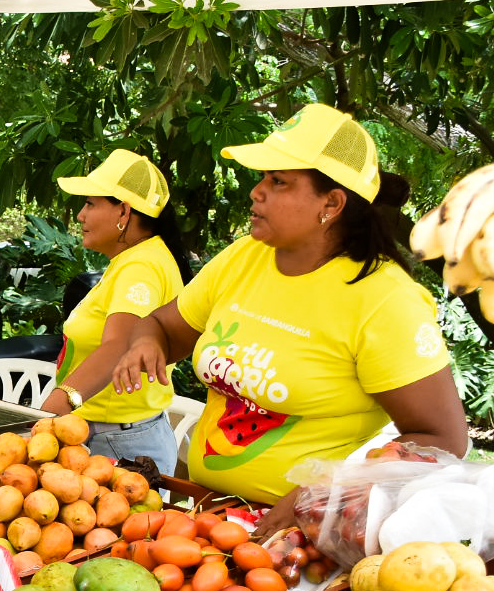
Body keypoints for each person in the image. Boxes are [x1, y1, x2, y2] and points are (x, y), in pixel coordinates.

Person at [111, 103, 468, 529]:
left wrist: (322, 492)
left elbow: (443, 439)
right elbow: (162, 326)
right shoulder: (245, 257)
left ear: (332, 203)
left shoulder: (385, 301)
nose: (256, 192)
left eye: (278, 181)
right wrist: (146, 342)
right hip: (213, 518)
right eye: (263, 178)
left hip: (307, 538)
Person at [41, 149, 192, 476]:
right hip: (110, 434)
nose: (81, 215)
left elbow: (121, 344)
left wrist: (58, 404)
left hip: (120, 443)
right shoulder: (136, 260)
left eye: (90, 204)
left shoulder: (141, 266)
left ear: (123, 210)